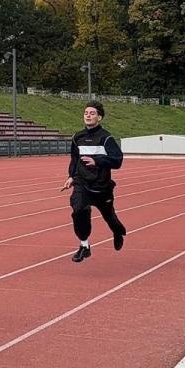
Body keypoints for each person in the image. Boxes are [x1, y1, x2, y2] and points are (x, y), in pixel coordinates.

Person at [62, 101, 127, 263]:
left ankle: (117, 232)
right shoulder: (77, 137)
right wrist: (71, 176)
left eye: (92, 113)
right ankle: (84, 246)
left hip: (101, 186)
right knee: (79, 210)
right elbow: (75, 159)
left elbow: (117, 161)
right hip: (82, 183)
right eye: (86, 113)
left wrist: (97, 161)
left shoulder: (106, 138)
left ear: (99, 117)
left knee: (110, 217)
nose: (88, 115)